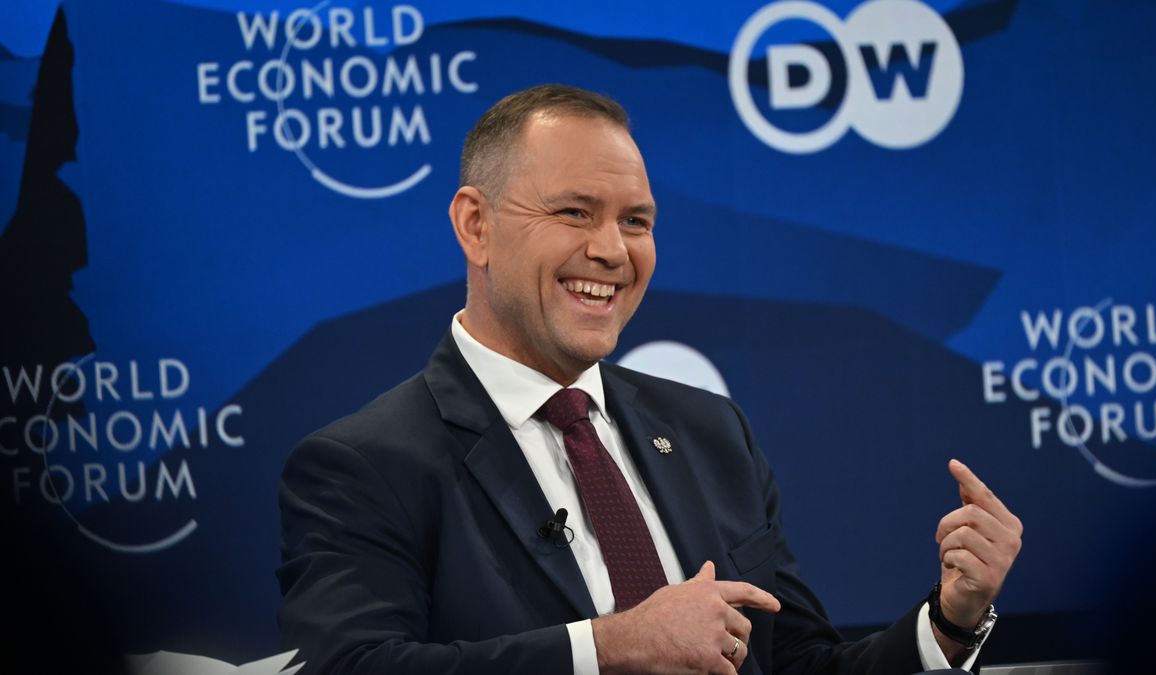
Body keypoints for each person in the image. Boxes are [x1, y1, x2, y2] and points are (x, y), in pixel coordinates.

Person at [276, 84, 1023, 675]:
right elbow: (353, 664)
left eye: (637, 221)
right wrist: (607, 648)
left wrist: (949, 623)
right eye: (575, 211)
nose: (612, 250)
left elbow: (794, 663)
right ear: (476, 225)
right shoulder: (364, 465)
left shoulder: (711, 432)